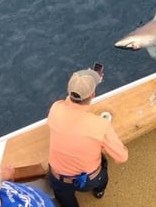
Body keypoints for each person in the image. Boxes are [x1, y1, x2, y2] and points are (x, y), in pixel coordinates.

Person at [47, 68, 128, 207]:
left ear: (68, 91)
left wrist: (87, 84)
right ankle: (98, 192)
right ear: (93, 94)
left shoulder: (55, 109)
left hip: (58, 179)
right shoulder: (101, 125)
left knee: (67, 203)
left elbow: (67, 102)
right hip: (89, 180)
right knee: (102, 175)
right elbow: (122, 157)